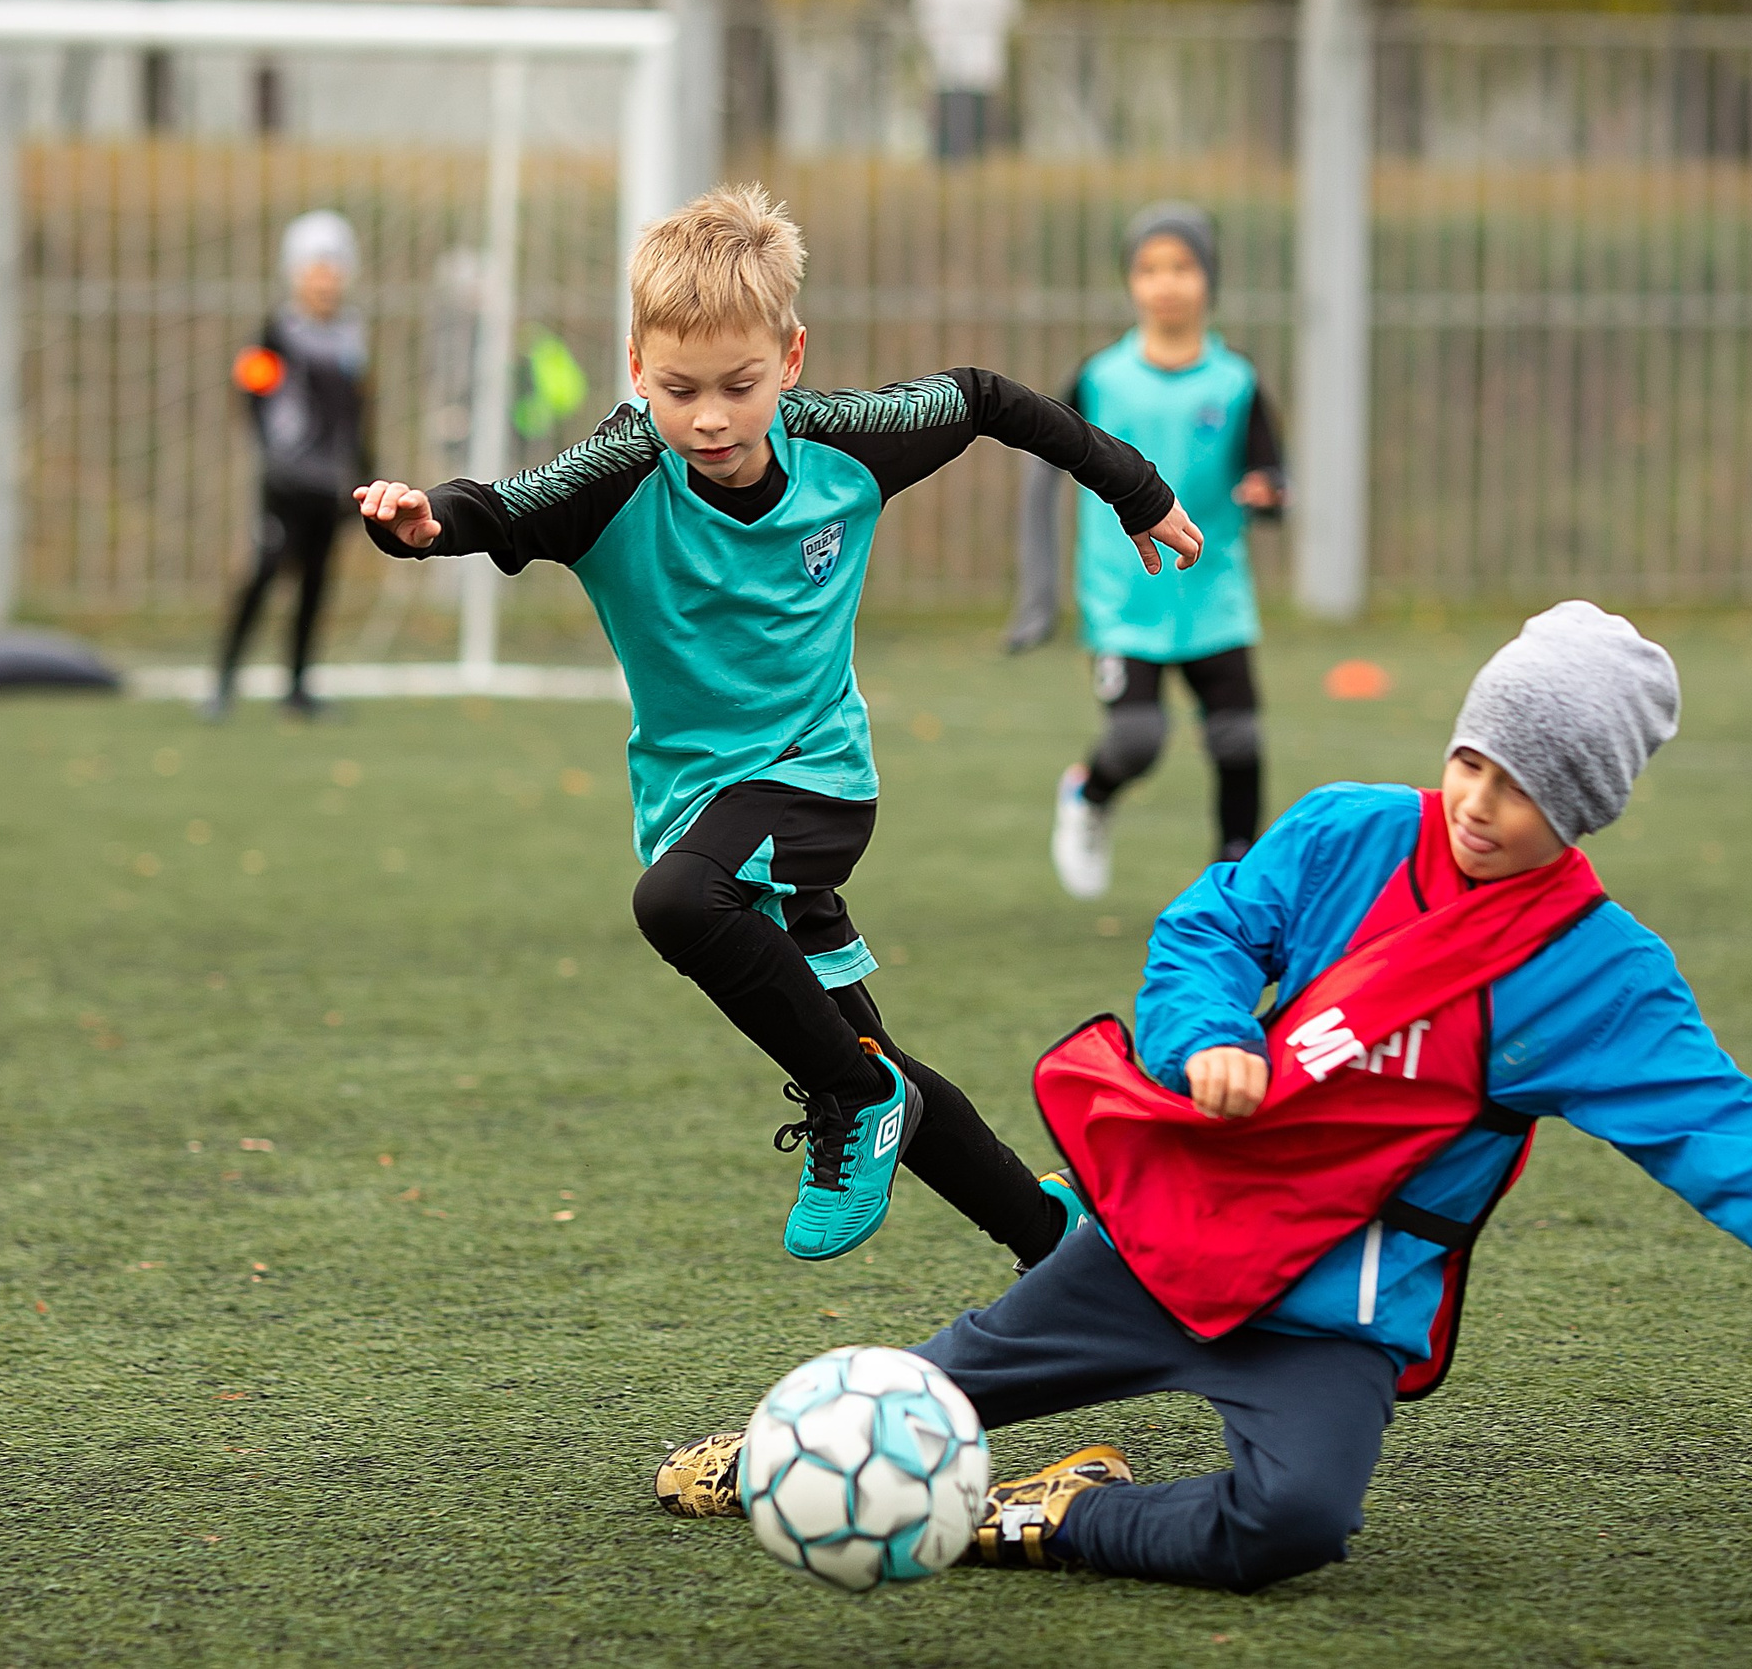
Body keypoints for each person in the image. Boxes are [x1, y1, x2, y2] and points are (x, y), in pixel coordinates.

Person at [656, 601, 1752, 1591]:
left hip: (1335, 1304)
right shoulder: (1349, 829)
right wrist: (1209, 1032)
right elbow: (1209, 924)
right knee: (943, 1379)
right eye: (1475, 760)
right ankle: (780, 1443)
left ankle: (1028, 1513)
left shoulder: (1596, 972)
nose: (1483, 805)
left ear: (1590, 812)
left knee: (1296, 1524)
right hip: (1179, 1233)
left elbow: (1714, 1116)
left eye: (1532, 790)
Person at [355, 184, 1202, 1269]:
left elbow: (986, 397)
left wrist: (1130, 486)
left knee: (680, 909)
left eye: (739, 386)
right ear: (634, 367)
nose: (709, 417)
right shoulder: (616, 474)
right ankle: (1058, 1246)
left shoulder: (842, 442)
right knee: (865, 1044)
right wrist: (421, 527)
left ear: (790, 359)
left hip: (815, 782)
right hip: (696, 804)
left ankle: (855, 1103)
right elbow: (499, 505)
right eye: (679, 389)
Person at [1010, 203, 1286, 899]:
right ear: (1131, 283)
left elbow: (1271, 471)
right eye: (1149, 268)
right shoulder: (1100, 379)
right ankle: (1088, 793)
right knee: (1136, 740)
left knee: (1240, 745)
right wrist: (1038, 591)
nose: (1166, 283)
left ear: (1209, 279)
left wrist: (1269, 492)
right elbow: (1042, 468)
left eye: (1182, 267)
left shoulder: (1236, 382)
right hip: (1122, 595)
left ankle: (1235, 880)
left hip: (1214, 594)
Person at [206, 210, 371, 721]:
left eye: (333, 267)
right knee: (263, 573)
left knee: (316, 582)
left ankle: (297, 687)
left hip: (330, 484)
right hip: (285, 483)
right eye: (315, 267)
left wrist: (364, 474)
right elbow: (252, 391)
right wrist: (273, 454)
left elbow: (359, 410)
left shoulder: (350, 337)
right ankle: (224, 681)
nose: (325, 278)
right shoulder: (277, 333)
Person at [912, 0, 1022, 162]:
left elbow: (1009, 9)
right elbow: (926, 11)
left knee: (976, 111)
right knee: (949, 106)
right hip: (946, 51)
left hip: (979, 53)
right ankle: (947, 158)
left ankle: (972, 157)